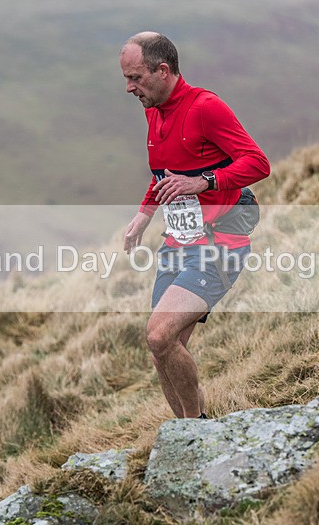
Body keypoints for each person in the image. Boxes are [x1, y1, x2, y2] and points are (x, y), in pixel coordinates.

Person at [119, 32, 269, 418]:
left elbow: (257, 163)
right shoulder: (153, 109)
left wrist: (204, 182)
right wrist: (144, 214)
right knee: (162, 349)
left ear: (163, 70)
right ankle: (190, 428)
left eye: (135, 77)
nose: (128, 87)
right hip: (179, 241)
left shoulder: (206, 107)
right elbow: (165, 174)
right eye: (126, 77)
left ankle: (196, 429)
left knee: (159, 334)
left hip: (220, 243)